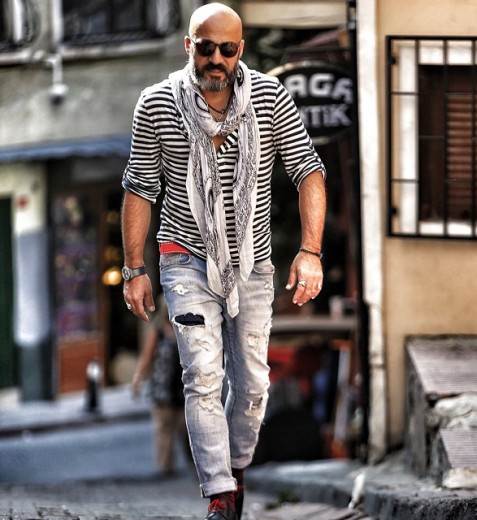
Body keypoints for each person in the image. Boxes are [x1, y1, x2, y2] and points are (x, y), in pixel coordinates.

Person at [121, 3, 326, 519]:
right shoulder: (157, 103)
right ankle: (219, 494)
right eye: (205, 47)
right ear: (188, 46)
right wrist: (134, 270)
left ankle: (235, 470)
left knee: (253, 384)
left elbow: (308, 171)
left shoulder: (271, 98)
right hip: (183, 260)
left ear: (241, 50)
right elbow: (140, 189)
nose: (216, 58)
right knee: (202, 375)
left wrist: (310, 252)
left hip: (253, 265)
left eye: (227, 49)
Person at [131, 294, 187, 476]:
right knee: (164, 426)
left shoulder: (184, 327)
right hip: (162, 386)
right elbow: (147, 356)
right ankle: (165, 465)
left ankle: (193, 461)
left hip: (182, 386)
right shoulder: (158, 330)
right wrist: (138, 379)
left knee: (185, 425)